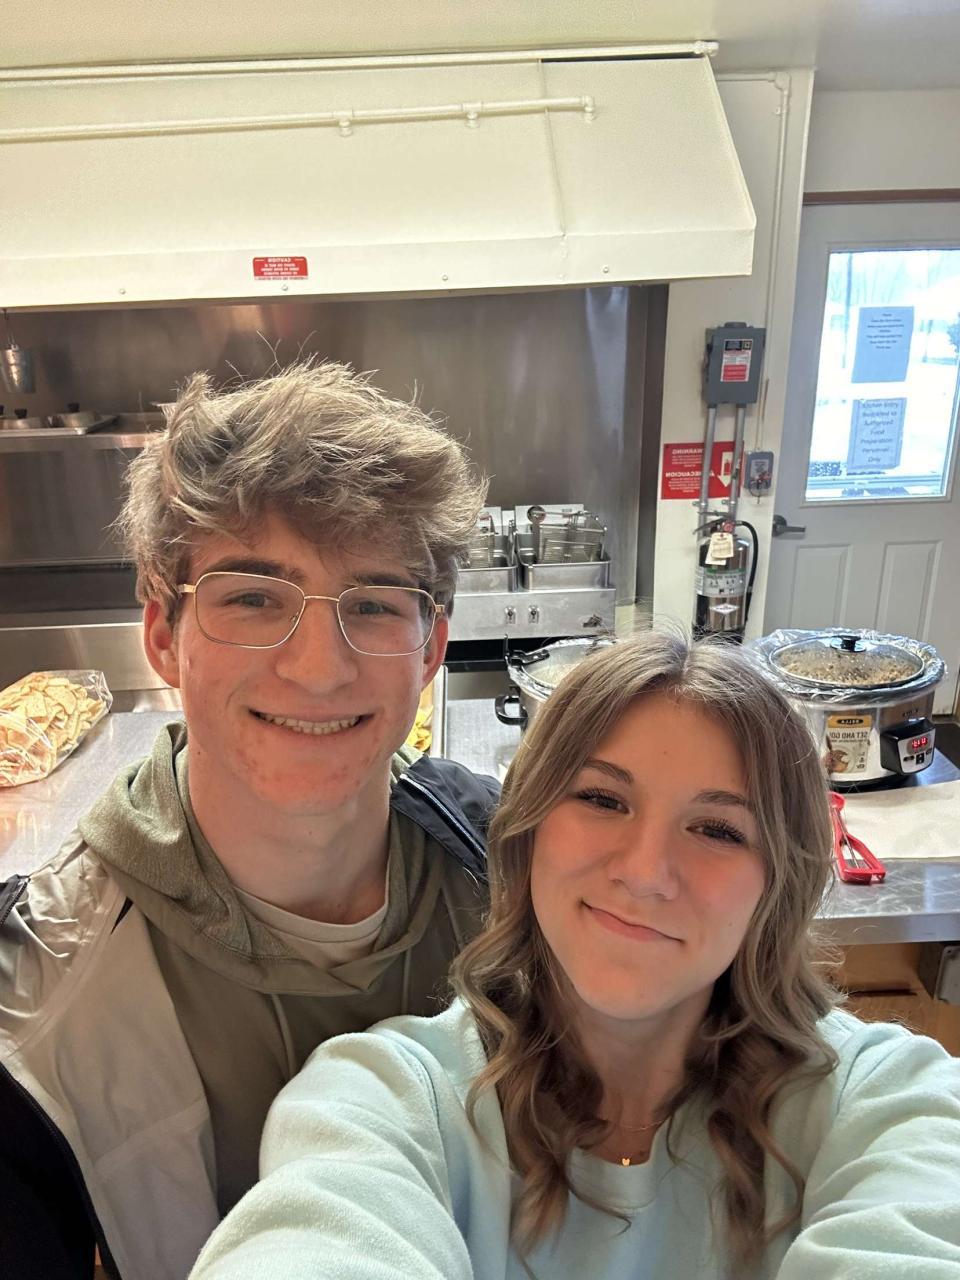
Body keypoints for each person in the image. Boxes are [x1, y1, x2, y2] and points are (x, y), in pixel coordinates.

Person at [190, 631, 960, 1280]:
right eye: (601, 799)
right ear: (527, 833)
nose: (645, 873)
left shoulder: (886, 1102)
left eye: (718, 830)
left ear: (778, 884)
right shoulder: (384, 1100)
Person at [0, 363, 496, 1280]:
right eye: (254, 598)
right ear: (163, 634)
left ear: (430, 647)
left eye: (373, 604)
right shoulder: (34, 1006)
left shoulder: (518, 881)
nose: (318, 669)